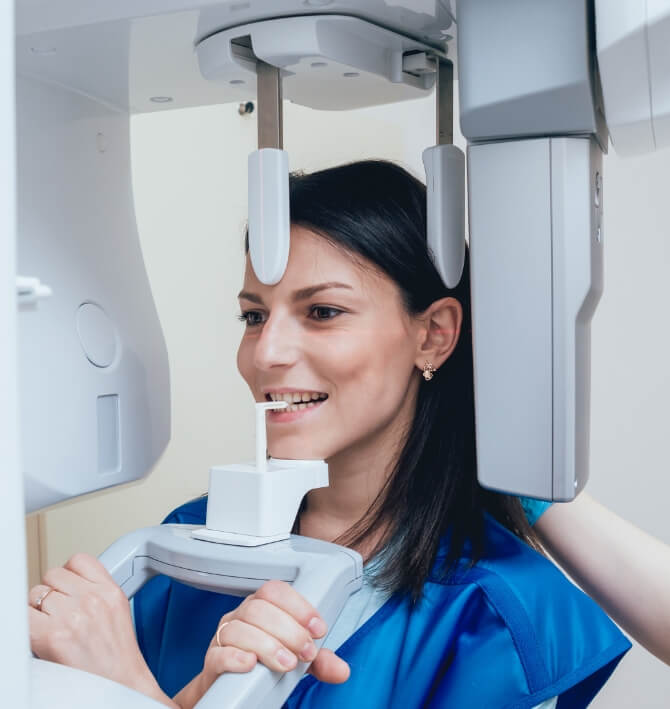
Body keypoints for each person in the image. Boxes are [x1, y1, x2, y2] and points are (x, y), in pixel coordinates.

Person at [28, 161, 631, 708]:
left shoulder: (504, 616)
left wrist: (128, 694)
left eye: (322, 312)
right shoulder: (184, 548)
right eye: (254, 316)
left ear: (433, 335)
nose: (267, 353)